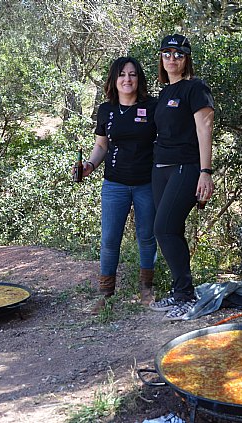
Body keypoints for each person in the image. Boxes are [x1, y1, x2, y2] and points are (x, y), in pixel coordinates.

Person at [76, 57, 158, 313]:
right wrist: (89, 165)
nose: (127, 79)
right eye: (122, 74)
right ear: (114, 79)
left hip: (147, 183)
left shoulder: (152, 107)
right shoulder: (106, 110)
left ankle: (146, 289)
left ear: (139, 79)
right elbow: (101, 145)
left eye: (132, 74)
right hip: (114, 184)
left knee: (147, 237)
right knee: (110, 239)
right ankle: (104, 294)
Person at [148, 34, 215, 321]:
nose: (172, 58)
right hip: (160, 169)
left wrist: (205, 172)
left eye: (178, 53)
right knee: (170, 231)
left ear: (186, 58)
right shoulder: (164, 93)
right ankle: (180, 291)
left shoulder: (195, 88)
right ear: (161, 59)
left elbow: (205, 130)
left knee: (163, 228)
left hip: (186, 167)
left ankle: (186, 296)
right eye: (167, 53)